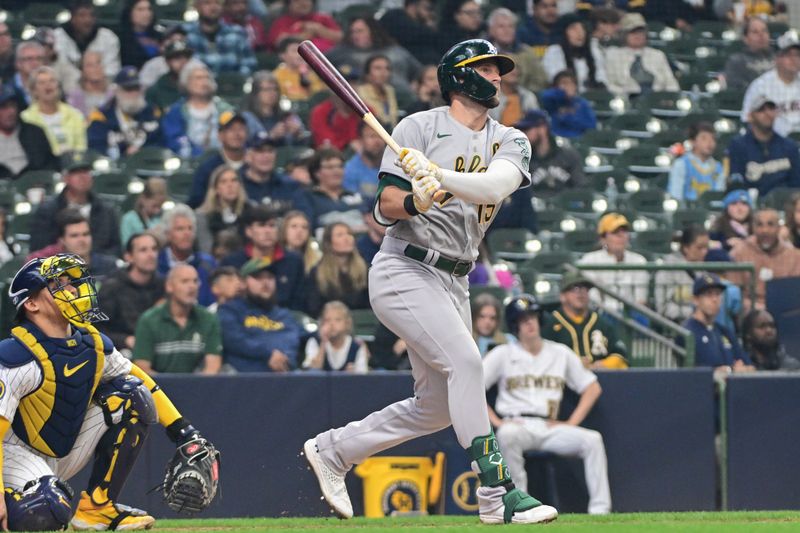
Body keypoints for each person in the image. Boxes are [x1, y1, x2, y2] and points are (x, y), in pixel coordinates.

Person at [302, 39, 558, 525]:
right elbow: (385, 208)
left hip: (456, 279)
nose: (498, 77)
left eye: (499, 70)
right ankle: (497, 492)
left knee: (437, 408)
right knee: (467, 362)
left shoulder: (510, 139)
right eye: (486, 69)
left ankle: (334, 451)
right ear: (460, 76)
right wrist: (417, 198)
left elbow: (494, 186)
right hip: (405, 267)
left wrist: (438, 175)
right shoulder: (416, 127)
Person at [0, 253, 216, 531]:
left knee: (132, 395)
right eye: (57, 285)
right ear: (31, 303)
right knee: (48, 509)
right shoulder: (15, 355)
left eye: (70, 282)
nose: (71, 289)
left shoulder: (92, 342)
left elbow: (141, 379)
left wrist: (185, 432)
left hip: (62, 450)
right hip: (12, 455)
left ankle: (97, 508)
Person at [484, 295, 611, 515]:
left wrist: (571, 422)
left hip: (549, 425)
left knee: (593, 440)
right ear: (515, 325)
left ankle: (600, 510)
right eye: (523, 319)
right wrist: (496, 421)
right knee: (506, 434)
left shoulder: (560, 352)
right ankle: (518, 506)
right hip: (517, 423)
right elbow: (473, 389)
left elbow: (592, 388)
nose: (530, 323)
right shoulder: (503, 353)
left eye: (532, 317)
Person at [133, 263, 223, 374]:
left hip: (198, 388)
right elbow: (142, 367)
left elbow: (213, 367)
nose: (192, 286)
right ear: (169, 286)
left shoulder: (208, 319)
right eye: (185, 281)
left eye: (195, 281)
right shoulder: (148, 320)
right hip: (159, 389)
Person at [217, 256, 303, 372]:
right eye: (258, 277)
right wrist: (268, 354)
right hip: (241, 380)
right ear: (243, 283)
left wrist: (281, 358)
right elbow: (234, 341)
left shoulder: (285, 316)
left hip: (282, 378)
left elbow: (290, 344)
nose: (265, 282)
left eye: (270, 277)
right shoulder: (230, 310)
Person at [28, 153, 120, 256]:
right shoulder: (47, 211)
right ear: (65, 178)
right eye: (76, 172)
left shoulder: (106, 210)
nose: (82, 177)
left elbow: (115, 248)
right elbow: (38, 249)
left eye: (86, 172)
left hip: (100, 268)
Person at [220, 204, 307, 310]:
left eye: (272, 225)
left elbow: (299, 303)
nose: (267, 231)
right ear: (249, 231)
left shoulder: (294, 261)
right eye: (261, 225)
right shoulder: (232, 262)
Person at [543, 271, 628, 369]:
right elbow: (542, 359)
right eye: (575, 289)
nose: (581, 293)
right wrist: (574, 364)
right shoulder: (550, 324)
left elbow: (620, 355)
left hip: (602, 379)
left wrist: (602, 365)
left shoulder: (602, 323)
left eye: (585, 289)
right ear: (562, 296)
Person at [98, 232, 164, 358]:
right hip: (121, 354)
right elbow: (97, 330)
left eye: (154, 249)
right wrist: (125, 340)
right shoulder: (111, 288)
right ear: (129, 256)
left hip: (158, 351)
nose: (151, 255)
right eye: (143, 250)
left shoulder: (164, 286)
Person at [327, 16, 422, 97]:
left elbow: (421, 71)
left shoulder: (395, 50)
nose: (355, 36)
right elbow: (320, 63)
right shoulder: (343, 52)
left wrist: (416, 83)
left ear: (373, 31)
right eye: (353, 32)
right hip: (369, 102)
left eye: (360, 31)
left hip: (406, 97)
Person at [728, 208, 800, 311]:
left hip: (784, 312)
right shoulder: (738, 253)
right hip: (749, 314)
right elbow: (733, 294)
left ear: (779, 228)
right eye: (759, 225)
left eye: (770, 224)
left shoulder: (795, 256)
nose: (765, 230)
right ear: (753, 228)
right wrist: (756, 308)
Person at [728, 95, 800, 197]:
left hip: (784, 205)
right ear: (750, 116)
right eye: (761, 110)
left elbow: (796, 184)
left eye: (771, 109)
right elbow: (736, 183)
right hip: (750, 205)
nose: (767, 113)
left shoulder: (790, 146)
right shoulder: (738, 145)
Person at [682, 273, 755, 373]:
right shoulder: (687, 332)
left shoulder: (724, 331)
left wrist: (741, 370)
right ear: (696, 300)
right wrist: (731, 370)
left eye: (717, 294)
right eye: (708, 294)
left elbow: (750, 367)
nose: (715, 299)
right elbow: (694, 372)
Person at [578, 213, 649, 312]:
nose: (621, 236)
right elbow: (592, 297)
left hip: (631, 313)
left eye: (624, 231)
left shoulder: (639, 260)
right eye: (615, 232)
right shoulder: (589, 260)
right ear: (603, 238)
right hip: (601, 313)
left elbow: (640, 299)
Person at [87, 66, 163, 158]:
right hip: (116, 168)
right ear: (117, 91)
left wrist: (143, 152)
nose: (134, 94)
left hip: (149, 164)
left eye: (136, 88)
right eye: (128, 89)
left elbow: (161, 142)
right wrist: (124, 155)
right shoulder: (101, 116)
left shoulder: (152, 112)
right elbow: (96, 150)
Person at [161, 63, 234, 157]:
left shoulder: (224, 109)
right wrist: (198, 153)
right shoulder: (176, 111)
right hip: (187, 161)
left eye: (207, 78)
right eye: (198, 78)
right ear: (186, 82)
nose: (204, 82)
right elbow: (174, 139)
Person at [26, 209, 120, 281]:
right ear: (62, 240)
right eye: (74, 236)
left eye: (86, 234)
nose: (82, 240)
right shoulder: (55, 271)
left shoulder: (109, 266)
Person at [515, 109, 586, 198]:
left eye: (527, 129)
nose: (522, 134)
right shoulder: (521, 160)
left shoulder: (569, 156)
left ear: (542, 129)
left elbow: (580, 189)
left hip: (564, 209)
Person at [156, 203, 218, 307]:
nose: (187, 233)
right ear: (168, 234)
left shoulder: (208, 264)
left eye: (190, 228)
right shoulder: (156, 264)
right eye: (180, 229)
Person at [293, 149, 366, 234]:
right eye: (330, 167)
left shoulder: (356, 195)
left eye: (340, 166)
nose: (337, 171)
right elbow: (307, 229)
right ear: (317, 173)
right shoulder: (306, 197)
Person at [604, 12, 679, 97]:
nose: (638, 35)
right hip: (627, 98)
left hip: (657, 98)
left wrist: (669, 97)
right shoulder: (613, 55)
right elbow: (609, 83)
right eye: (633, 32)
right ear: (623, 34)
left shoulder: (658, 55)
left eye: (641, 32)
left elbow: (671, 83)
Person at [305, 222, 370, 318]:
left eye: (349, 234)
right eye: (340, 235)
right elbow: (314, 308)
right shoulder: (317, 273)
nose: (347, 238)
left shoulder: (365, 270)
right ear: (329, 243)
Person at [741, 31, 800, 137]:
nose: (794, 59)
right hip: (774, 144)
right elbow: (747, 119)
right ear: (776, 58)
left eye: (797, 55)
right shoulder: (760, 86)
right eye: (788, 55)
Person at [20, 66, 87, 156]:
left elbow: (81, 147)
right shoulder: (26, 118)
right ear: (34, 90)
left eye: (52, 81)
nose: (48, 85)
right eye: (42, 82)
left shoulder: (75, 115)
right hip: (44, 166)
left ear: (58, 87)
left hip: (74, 165)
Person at [187, 111, 248, 208]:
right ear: (220, 135)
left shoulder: (254, 165)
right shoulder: (208, 168)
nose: (237, 134)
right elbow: (195, 202)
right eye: (231, 129)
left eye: (241, 129)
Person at [0, 84, 60, 179]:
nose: (11, 112)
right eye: (3, 107)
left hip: (34, 185)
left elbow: (50, 165)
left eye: (13, 106)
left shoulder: (34, 133)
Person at [183, 0, 256, 76]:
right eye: (207, 3)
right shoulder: (185, 33)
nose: (213, 7)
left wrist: (238, 79)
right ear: (197, 6)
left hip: (232, 84)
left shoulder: (237, 32)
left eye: (217, 3)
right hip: (195, 84)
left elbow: (249, 63)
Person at [486, 7, 548, 94]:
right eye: (501, 26)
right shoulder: (483, 54)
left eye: (510, 26)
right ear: (491, 30)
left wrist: (521, 91)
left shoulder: (527, 52)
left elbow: (542, 80)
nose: (506, 30)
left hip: (524, 98)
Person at [53, 0, 121, 78]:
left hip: (100, 86)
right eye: (82, 15)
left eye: (91, 15)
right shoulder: (57, 36)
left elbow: (112, 70)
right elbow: (59, 69)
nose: (87, 20)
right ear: (73, 18)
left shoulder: (108, 37)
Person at [241, 70, 309, 147]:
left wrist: (298, 134)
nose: (272, 93)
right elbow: (247, 146)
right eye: (267, 89)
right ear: (256, 93)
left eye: (275, 89)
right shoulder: (247, 118)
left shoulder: (287, 115)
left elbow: (305, 143)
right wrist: (271, 136)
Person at [542, 14, 606, 92]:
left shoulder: (594, 51)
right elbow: (557, 80)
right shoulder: (554, 52)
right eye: (573, 29)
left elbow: (601, 78)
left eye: (582, 28)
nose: (580, 33)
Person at [302, 301, 370, 373]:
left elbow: (363, 374)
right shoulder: (314, 341)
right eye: (327, 320)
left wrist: (353, 373)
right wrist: (323, 342)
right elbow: (313, 370)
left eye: (337, 320)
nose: (332, 324)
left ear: (347, 323)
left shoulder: (357, 345)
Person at [195, 164, 249, 254]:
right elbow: (206, 250)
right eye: (223, 182)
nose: (230, 185)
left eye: (234, 180)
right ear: (216, 189)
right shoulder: (202, 217)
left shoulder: (251, 211)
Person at [239, 130, 300, 208]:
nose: (266, 156)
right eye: (260, 151)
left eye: (270, 151)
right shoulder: (238, 185)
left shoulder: (289, 185)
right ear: (248, 156)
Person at [668, 122, 726, 202]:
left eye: (713, 139)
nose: (710, 143)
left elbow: (718, 196)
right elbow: (675, 195)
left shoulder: (718, 167)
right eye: (704, 138)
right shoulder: (681, 164)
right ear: (693, 141)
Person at [144, 38, 205, 111]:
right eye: (177, 58)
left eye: (187, 57)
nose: (183, 61)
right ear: (167, 62)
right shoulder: (156, 90)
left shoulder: (200, 85)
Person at [265, 0, 343, 54]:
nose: (303, 2)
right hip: (299, 60)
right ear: (289, 3)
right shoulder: (281, 22)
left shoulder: (323, 18)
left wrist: (319, 29)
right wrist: (305, 36)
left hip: (330, 59)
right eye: (297, 1)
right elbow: (279, 42)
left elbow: (341, 38)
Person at [379, 0, 440, 66]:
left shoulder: (422, 23)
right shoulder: (395, 16)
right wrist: (428, 29)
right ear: (413, 5)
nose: (430, 13)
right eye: (427, 8)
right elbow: (409, 35)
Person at [539, 70, 597, 138]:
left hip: (577, 140)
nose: (568, 86)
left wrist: (567, 118)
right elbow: (543, 96)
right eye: (564, 83)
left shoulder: (582, 103)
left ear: (575, 86)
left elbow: (591, 125)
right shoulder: (552, 101)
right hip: (557, 139)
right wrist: (561, 93)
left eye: (570, 83)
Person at [723, 17, 774, 90]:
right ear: (745, 38)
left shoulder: (778, 59)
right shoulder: (736, 61)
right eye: (755, 32)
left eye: (764, 31)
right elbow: (737, 88)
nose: (761, 35)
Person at [273, 36, 328, 103]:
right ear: (283, 55)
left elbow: (319, 96)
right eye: (294, 51)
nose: (299, 55)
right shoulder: (276, 76)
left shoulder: (312, 73)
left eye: (301, 51)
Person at [119, 177, 168, 248]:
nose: (157, 210)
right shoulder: (129, 219)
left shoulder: (166, 218)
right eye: (154, 206)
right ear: (143, 199)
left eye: (160, 206)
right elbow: (126, 246)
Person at [489, 60, 539, 127]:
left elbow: (537, 121)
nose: (513, 72)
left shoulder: (528, 96)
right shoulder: (490, 97)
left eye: (516, 68)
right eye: (509, 68)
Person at [65, 51, 115, 119]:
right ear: (82, 71)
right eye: (90, 65)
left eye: (98, 63)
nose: (96, 68)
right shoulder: (74, 96)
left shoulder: (114, 94)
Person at [118, 0, 163, 70]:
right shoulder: (121, 39)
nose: (147, 13)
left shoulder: (160, 36)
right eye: (140, 9)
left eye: (149, 9)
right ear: (129, 12)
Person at [356, 54, 399, 128]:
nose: (383, 72)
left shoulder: (390, 90)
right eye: (378, 68)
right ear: (367, 73)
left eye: (387, 68)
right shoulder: (359, 92)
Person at [344, 123, 384, 199]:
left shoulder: (393, 167)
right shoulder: (349, 170)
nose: (377, 141)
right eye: (372, 136)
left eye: (381, 136)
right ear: (360, 140)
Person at [279, 210, 322, 274]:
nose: (299, 231)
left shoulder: (317, 260)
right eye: (294, 226)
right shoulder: (275, 258)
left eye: (304, 227)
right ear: (284, 230)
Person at [471, 293, 511, 357]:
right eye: (482, 316)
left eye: (492, 318)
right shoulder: (467, 341)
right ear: (474, 317)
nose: (487, 322)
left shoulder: (509, 340)